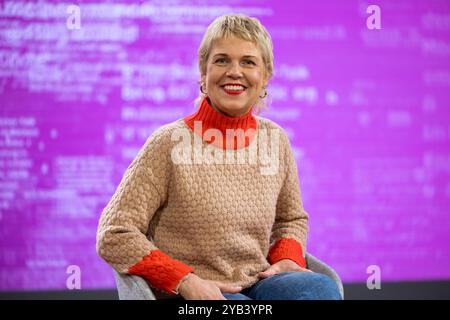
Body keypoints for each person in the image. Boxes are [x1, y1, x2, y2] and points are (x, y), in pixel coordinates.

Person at [96, 13, 341, 300]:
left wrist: (288, 257)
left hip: (257, 283)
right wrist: (184, 280)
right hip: (191, 293)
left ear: (264, 78)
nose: (234, 72)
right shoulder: (169, 144)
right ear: (204, 73)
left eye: (248, 62)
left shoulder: (275, 139)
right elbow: (115, 233)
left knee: (321, 289)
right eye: (222, 60)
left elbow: (290, 218)